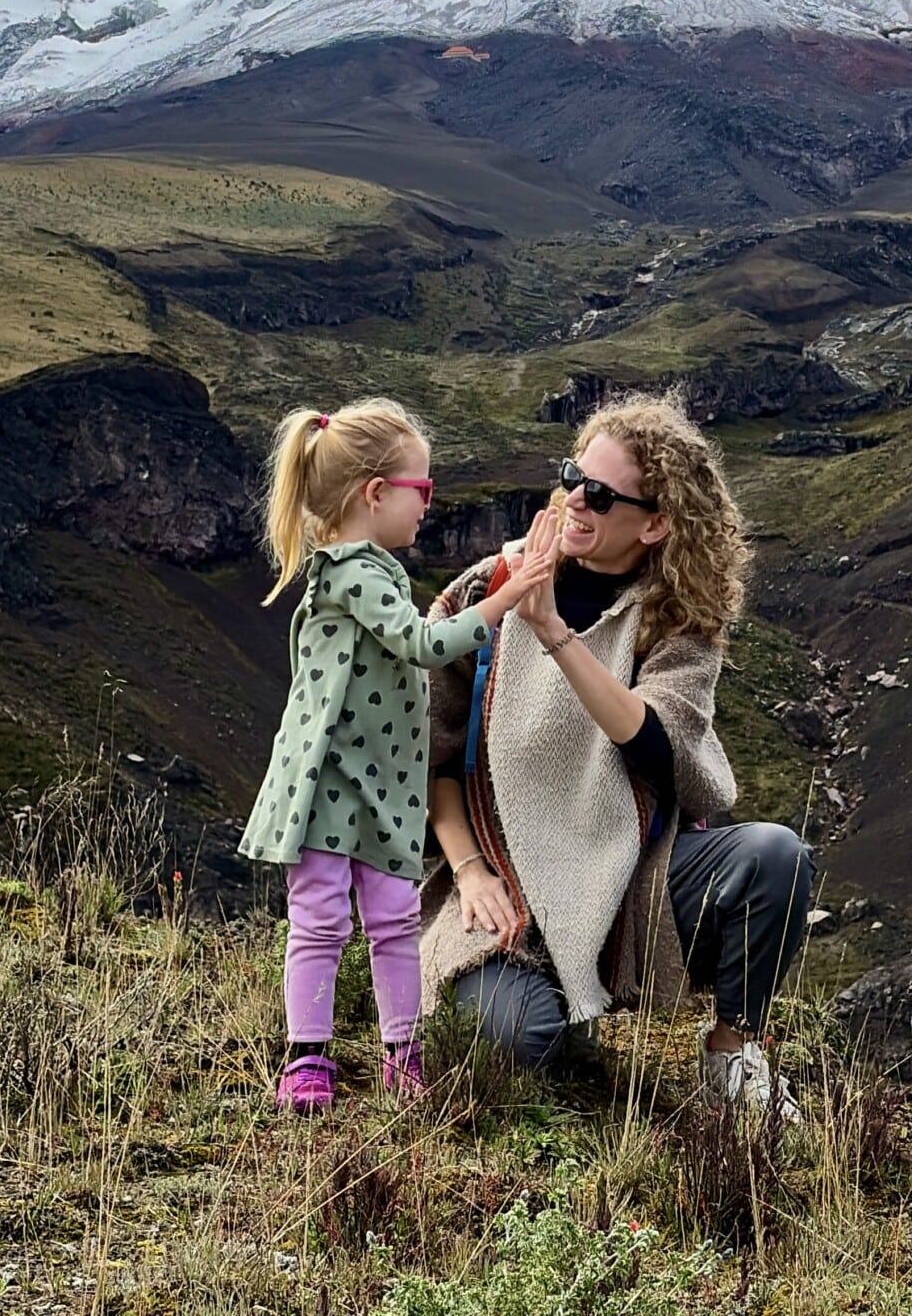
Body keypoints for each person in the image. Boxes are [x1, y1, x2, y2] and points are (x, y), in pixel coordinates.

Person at [422, 394, 815, 1122]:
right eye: (572, 476)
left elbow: (663, 744)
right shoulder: (484, 591)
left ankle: (731, 1054)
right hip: (498, 883)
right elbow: (430, 756)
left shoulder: (678, 622)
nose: (574, 498)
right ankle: (555, 1010)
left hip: (625, 878)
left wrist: (556, 639)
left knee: (774, 857)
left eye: (599, 494)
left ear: (656, 523)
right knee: (512, 1044)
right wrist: (471, 872)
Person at [238, 397, 552, 1114]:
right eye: (423, 491)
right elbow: (424, 643)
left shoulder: (359, 568)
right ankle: (317, 1058)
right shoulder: (357, 572)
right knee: (341, 923)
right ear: (375, 494)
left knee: (376, 922)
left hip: (374, 784)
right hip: (334, 786)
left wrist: (501, 576)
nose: (427, 508)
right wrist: (512, 598)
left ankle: (388, 1055)